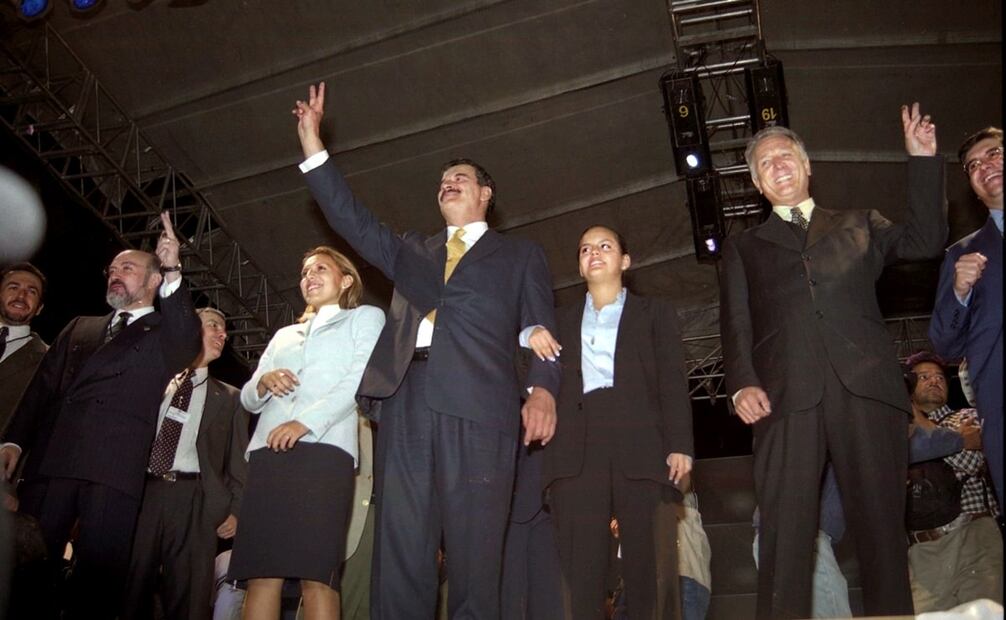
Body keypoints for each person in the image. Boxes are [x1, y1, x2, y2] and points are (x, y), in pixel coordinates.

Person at [292, 83, 561, 619]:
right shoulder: (415, 250)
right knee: (402, 551)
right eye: (442, 181)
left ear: (487, 194)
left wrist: (544, 394)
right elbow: (354, 221)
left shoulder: (519, 256)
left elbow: (541, 328)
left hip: (482, 409)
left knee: (477, 553)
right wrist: (312, 146)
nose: (449, 184)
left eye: (460, 178)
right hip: (407, 401)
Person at [718, 104, 946, 619]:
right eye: (765, 163)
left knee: (883, 532)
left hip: (867, 391)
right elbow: (735, 323)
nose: (777, 165)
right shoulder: (744, 247)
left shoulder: (859, 223)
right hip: (784, 397)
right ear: (757, 183)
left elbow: (926, 241)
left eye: (785, 155)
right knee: (782, 532)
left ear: (807, 165)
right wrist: (740, 385)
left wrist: (923, 162)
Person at [0, 212, 202, 619]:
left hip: (113, 468)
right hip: (54, 462)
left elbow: (187, 343)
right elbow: (41, 390)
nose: (115, 274)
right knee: (26, 572)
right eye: (112, 269)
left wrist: (174, 268)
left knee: (97, 584)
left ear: (153, 281)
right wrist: (14, 440)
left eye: (127, 268)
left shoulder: (166, 332)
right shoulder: (81, 327)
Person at [529, 225, 694, 619]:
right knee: (578, 577)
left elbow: (673, 381)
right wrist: (528, 332)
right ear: (580, 265)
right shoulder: (555, 322)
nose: (594, 253)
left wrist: (680, 444)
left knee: (650, 572)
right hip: (575, 452)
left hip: (643, 447)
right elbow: (525, 368)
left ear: (625, 260)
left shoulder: (655, 314)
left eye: (605, 246)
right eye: (585, 248)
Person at [228, 246, 384, 620]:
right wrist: (263, 383)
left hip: (324, 453)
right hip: (269, 456)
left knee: (319, 576)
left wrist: (305, 424)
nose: (308, 277)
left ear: (345, 280)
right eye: (303, 273)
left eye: (320, 269)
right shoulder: (285, 334)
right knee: (262, 573)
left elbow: (359, 379)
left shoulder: (365, 318)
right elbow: (249, 400)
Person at [122, 307, 251, 620]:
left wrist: (236, 509)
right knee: (129, 587)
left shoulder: (231, 398)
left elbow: (237, 460)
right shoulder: (153, 379)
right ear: (189, 328)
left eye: (225, 331)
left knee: (190, 597)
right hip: (141, 494)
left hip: (196, 501)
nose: (223, 335)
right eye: (214, 326)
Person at [929, 126, 1003, 509]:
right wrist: (960, 292)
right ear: (973, 188)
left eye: (993, 153)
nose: (983, 166)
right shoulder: (961, 255)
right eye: (973, 165)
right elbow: (944, 343)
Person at [903, 351, 1001, 611]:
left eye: (940, 377)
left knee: (984, 613)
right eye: (924, 377)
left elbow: (971, 462)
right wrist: (952, 440)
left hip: (973, 535)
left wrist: (919, 422)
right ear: (909, 386)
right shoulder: (896, 431)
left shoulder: (967, 416)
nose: (935, 381)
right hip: (921, 547)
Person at [0, 262, 48, 433]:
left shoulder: (49, 361)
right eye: (13, 287)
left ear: (39, 308)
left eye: (32, 291)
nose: (21, 296)